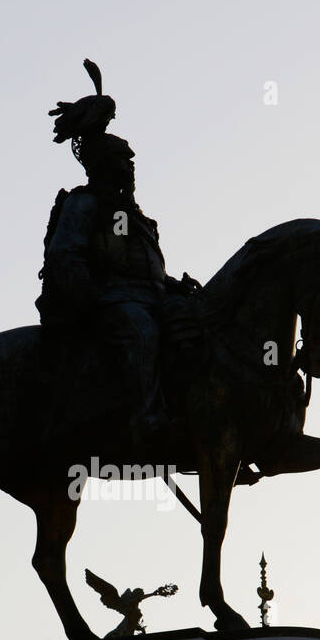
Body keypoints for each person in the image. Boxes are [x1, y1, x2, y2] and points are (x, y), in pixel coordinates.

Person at [38, 60, 200, 448]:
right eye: (122, 160)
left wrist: (174, 287)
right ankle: (148, 420)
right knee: (141, 330)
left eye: (131, 161)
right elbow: (65, 258)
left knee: (198, 326)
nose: (130, 167)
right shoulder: (84, 204)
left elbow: (147, 271)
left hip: (150, 299)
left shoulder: (140, 219)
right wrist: (91, 299)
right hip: (108, 302)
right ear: (104, 165)